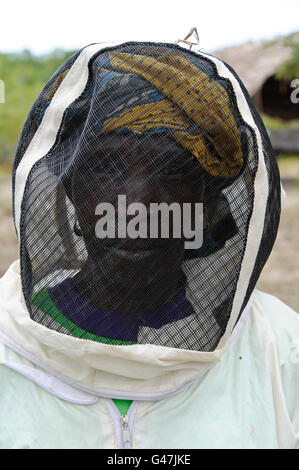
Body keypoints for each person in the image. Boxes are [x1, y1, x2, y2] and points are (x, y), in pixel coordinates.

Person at [0, 40, 298, 449]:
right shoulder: (8, 347)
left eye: (172, 172)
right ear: (70, 187)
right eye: (108, 168)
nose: (136, 206)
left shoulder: (279, 348)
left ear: (207, 197)